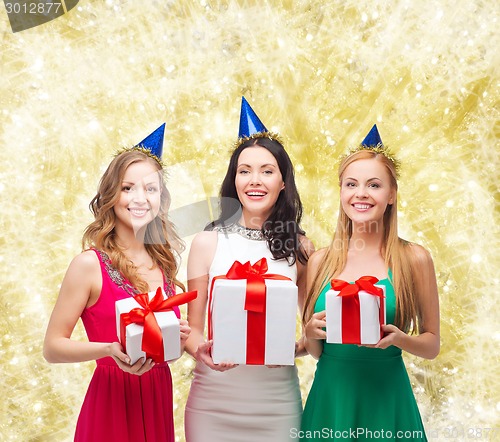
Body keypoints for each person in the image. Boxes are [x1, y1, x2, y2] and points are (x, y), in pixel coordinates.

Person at [43, 124, 191, 442]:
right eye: (128, 188)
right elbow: (52, 347)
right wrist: (110, 351)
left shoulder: (165, 263)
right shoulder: (89, 265)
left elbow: (163, 352)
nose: (140, 198)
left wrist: (175, 342)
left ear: (161, 199)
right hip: (110, 402)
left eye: (150, 189)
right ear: (112, 196)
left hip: (156, 397)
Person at [184, 97, 314, 442]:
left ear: (284, 182)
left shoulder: (300, 247)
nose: (254, 180)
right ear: (234, 180)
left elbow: (312, 330)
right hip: (213, 401)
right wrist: (201, 350)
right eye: (245, 171)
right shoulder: (206, 242)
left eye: (267, 171)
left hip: (277, 402)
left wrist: (296, 348)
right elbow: (193, 329)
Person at [300, 125, 440, 441]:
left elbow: (432, 345)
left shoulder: (414, 258)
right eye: (351, 184)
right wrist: (309, 333)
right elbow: (317, 352)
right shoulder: (321, 261)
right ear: (341, 192)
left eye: (373, 185)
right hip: (332, 398)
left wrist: (399, 338)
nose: (360, 193)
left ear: (391, 195)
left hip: (387, 397)